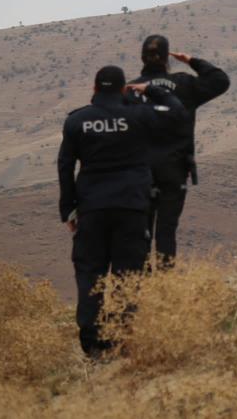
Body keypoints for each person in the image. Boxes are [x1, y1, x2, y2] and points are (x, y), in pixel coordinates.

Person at [58, 66, 186, 357]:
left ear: (94, 88)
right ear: (123, 89)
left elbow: (65, 166)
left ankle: (93, 345)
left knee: (90, 275)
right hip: (132, 207)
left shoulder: (77, 121)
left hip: (92, 208)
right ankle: (121, 339)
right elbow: (177, 112)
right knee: (127, 274)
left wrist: (69, 210)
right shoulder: (139, 116)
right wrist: (151, 89)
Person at [130, 35, 229, 266]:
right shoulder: (184, 84)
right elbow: (220, 81)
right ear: (167, 59)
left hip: (139, 172)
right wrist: (191, 60)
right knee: (167, 231)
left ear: (142, 58)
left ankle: (141, 283)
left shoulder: (131, 90)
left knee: (141, 231)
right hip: (174, 170)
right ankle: (166, 283)